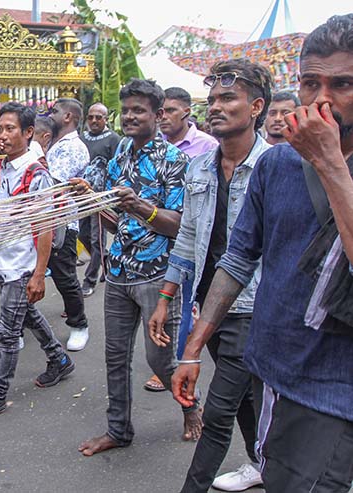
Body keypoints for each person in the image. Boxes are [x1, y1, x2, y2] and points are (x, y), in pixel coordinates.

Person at [173, 15, 353, 492]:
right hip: (273, 367)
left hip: (337, 389)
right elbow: (237, 259)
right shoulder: (276, 165)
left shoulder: (321, 162)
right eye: (311, 82)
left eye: (342, 84)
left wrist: (331, 163)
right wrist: (192, 348)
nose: (322, 100)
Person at [149, 60, 273, 493]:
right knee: (241, 401)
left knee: (217, 414)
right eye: (213, 99)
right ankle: (263, 463)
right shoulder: (199, 168)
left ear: (256, 106)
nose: (216, 107)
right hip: (207, 304)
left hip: (253, 308)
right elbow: (188, 237)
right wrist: (166, 296)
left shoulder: (274, 167)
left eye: (228, 99)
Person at [74, 79, 201, 458]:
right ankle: (119, 430)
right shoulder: (121, 154)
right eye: (125, 109)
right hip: (118, 273)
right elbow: (118, 220)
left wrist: (139, 206)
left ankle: (191, 408)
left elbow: (178, 224)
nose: (129, 116)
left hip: (159, 276)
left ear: (158, 115)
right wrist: (93, 202)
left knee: (160, 358)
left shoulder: (176, 161)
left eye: (138, 110)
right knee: (115, 356)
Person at [0, 102, 74, 423]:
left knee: (8, 333)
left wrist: (39, 274)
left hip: (24, 265)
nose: (3, 135)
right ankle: (59, 361)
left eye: (10, 129)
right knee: (29, 315)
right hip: (5, 261)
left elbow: (45, 227)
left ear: (28, 133)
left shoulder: (36, 174)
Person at [145, 87, 220, 393]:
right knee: (175, 303)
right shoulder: (155, 147)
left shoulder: (207, 147)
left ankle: (183, 363)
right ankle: (174, 364)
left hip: (202, 238)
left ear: (187, 112)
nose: (163, 118)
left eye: (170, 111)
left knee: (191, 303)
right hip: (168, 238)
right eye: (160, 112)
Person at [46, 98, 91, 351]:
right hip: (41, 219)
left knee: (64, 276)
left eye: (55, 111)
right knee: (21, 275)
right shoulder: (54, 143)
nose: (50, 115)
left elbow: (54, 183)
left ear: (68, 117)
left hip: (61, 221)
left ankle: (79, 325)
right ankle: (10, 330)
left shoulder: (73, 147)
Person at [79, 103, 122, 298]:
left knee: (97, 239)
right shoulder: (82, 139)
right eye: (91, 117)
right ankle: (108, 260)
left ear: (106, 119)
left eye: (99, 117)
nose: (94, 121)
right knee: (83, 235)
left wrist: (112, 196)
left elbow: (118, 167)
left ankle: (89, 280)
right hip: (81, 197)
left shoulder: (113, 139)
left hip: (100, 198)